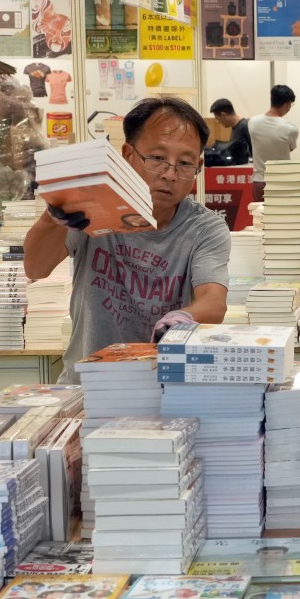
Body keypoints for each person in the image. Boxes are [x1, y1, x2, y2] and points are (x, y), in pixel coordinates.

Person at [24, 97, 231, 384]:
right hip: (88, 385)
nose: (170, 174)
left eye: (184, 164)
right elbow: (36, 268)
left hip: (162, 385)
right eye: (157, 158)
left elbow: (213, 302)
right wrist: (53, 218)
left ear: (198, 166)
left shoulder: (204, 227)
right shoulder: (92, 206)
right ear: (127, 153)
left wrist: (181, 317)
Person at [248, 84, 299, 202]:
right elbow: (289, 148)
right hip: (282, 182)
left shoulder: (253, 122)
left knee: (261, 218)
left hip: (259, 181)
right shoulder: (290, 128)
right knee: (282, 218)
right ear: (287, 104)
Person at [205, 98, 252, 166]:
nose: (218, 122)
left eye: (217, 119)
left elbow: (253, 153)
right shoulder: (235, 127)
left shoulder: (245, 127)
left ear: (223, 115)